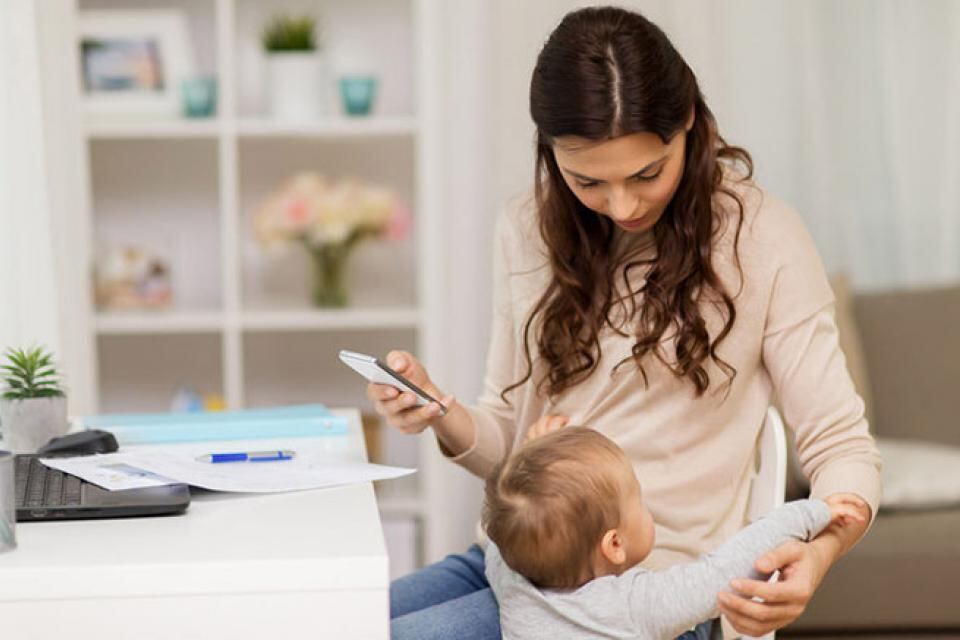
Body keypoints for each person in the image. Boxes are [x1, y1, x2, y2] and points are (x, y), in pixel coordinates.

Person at [374, 6, 881, 639]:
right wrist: (438, 411)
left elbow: (843, 448)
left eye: (647, 173)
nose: (622, 206)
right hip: (514, 568)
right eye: (587, 180)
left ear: (688, 124)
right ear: (549, 150)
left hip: (649, 597)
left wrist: (820, 552)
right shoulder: (527, 230)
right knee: (316, 618)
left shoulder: (762, 239)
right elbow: (509, 444)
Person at [481, 426, 865, 640]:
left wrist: (531, 457)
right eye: (639, 500)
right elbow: (723, 572)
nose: (646, 506)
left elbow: (500, 531)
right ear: (614, 545)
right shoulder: (636, 604)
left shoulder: (511, 581)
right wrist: (808, 514)